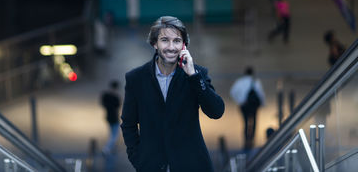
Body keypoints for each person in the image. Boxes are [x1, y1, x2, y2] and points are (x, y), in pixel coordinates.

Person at [121, 16, 225, 172]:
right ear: (154, 43)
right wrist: (137, 158)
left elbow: (216, 112)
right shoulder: (136, 78)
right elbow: (128, 123)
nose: (171, 47)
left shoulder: (196, 74)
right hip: (152, 166)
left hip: (192, 166)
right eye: (165, 40)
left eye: (176, 41)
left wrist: (193, 76)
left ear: (184, 45)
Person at [230, 67, 265, 150]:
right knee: (254, 122)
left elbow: (232, 92)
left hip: (244, 106)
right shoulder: (256, 82)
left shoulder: (239, 82)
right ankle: (252, 139)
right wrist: (263, 104)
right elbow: (261, 94)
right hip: (253, 106)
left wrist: (240, 101)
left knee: (245, 122)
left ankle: (246, 140)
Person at [101, 80, 121, 156]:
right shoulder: (116, 97)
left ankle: (112, 148)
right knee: (114, 135)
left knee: (112, 134)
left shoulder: (105, 95)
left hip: (108, 117)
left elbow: (103, 104)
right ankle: (106, 149)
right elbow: (118, 106)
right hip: (114, 118)